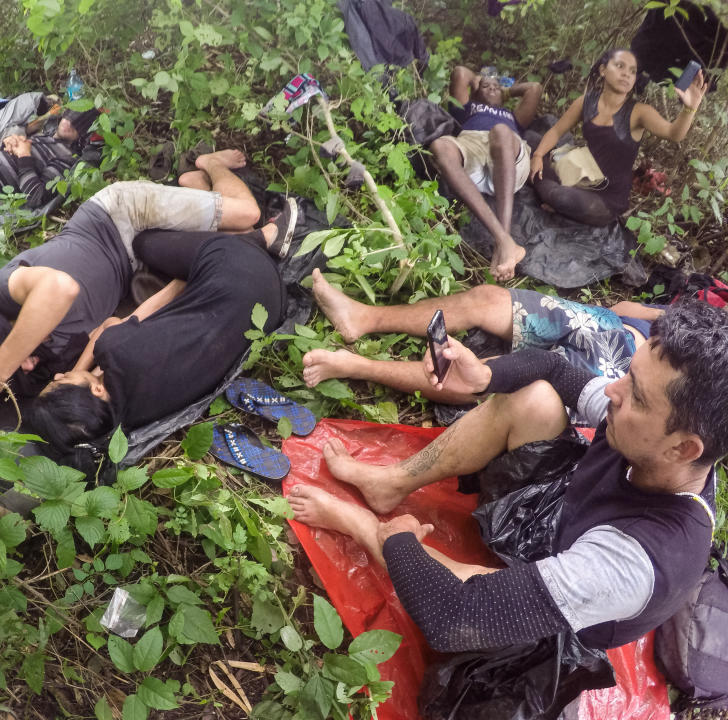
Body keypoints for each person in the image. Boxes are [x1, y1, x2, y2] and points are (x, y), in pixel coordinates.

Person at [288, 299, 724, 653]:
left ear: (683, 449)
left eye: (638, 397)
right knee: (536, 399)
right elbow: (553, 371)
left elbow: (455, 617)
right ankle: (391, 483)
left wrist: (397, 539)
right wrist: (484, 376)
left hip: (556, 621)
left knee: (464, 586)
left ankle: (365, 524)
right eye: (628, 375)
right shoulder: (654, 440)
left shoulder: (637, 560)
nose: (613, 389)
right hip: (564, 518)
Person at [0, 149, 298, 412]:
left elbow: (59, 288)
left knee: (249, 216)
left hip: (122, 216)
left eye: (17, 351)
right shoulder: (55, 354)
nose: (29, 359)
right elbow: (107, 329)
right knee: (233, 235)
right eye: (27, 367)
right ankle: (196, 188)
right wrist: (64, 374)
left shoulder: (3, 289)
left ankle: (211, 163)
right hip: (143, 259)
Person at [301, 268, 664, 404]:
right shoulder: (701, 312)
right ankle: (363, 317)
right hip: (615, 328)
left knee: (489, 376)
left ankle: (357, 366)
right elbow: (625, 308)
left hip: (627, 370)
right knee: (487, 299)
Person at [530, 48, 708, 226]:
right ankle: (551, 188)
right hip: (580, 174)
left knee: (560, 197)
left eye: (632, 71)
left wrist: (689, 109)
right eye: (620, 66)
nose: (626, 74)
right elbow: (555, 131)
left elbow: (673, 134)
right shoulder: (587, 101)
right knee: (532, 140)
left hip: (605, 199)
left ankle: (552, 195)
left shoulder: (639, 112)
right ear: (603, 70)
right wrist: (538, 156)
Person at [430, 66, 542, 281]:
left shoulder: (512, 116)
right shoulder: (467, 108)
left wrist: (505, 90)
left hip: (507, 155)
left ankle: (504, 241)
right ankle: (504, 240)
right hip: (472, 148)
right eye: (486, 86)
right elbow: (461, 72)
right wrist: (479, 81)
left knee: (500, 130)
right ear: (475, 91)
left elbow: (534, 88)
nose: (492, 88)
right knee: (439, 146)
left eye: (496, 88)